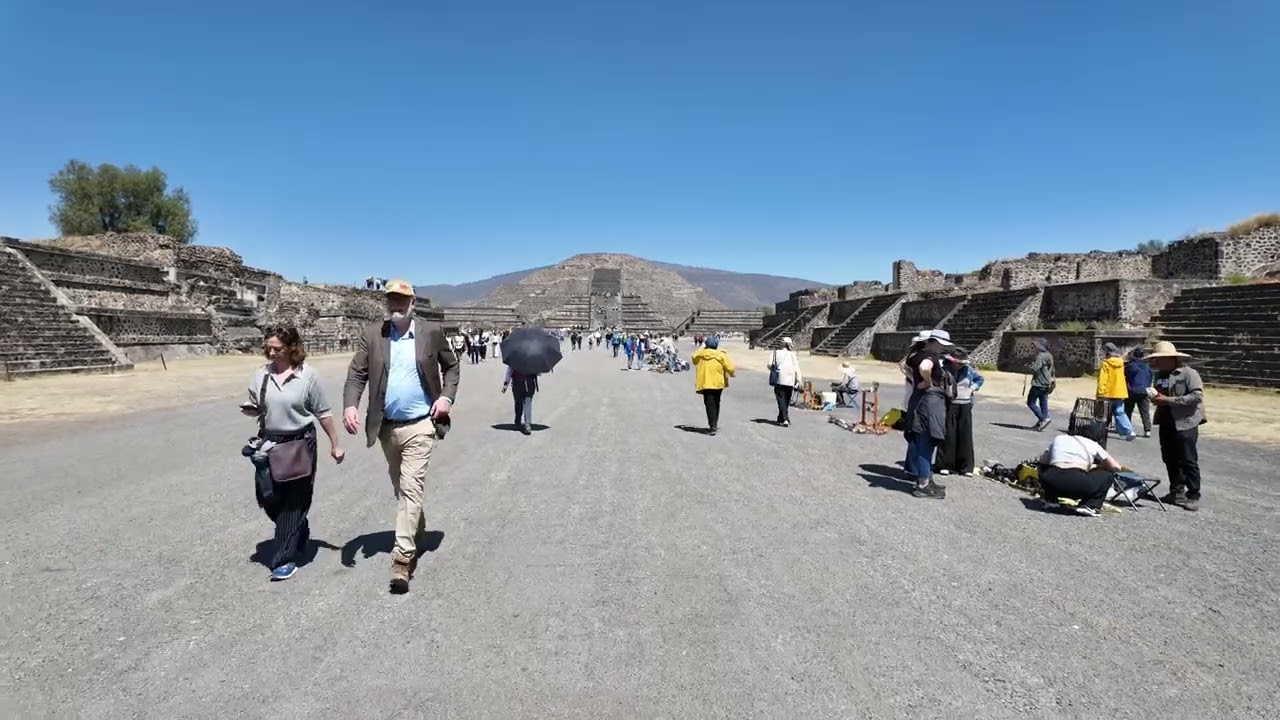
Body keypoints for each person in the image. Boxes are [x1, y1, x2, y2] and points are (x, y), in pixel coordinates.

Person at [342, 279, 460, 594]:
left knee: (410, 487)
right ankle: (415, 527)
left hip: (421, 424)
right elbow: (357, 374)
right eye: (391, 299)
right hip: (386, 427)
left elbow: (451, 368)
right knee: (402, 489)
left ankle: (402, 561)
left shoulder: (430, 333)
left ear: (411, 303)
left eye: (401, 299)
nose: (396, 305)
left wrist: (446, 397)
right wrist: (351, 406)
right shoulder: (374, 335)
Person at [244, 326, 345, 581]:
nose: (271, 352)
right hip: (270, 445)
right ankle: (298, 528)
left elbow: (323, 412)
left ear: (291, 348)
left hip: (300, 444)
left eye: (277, 348)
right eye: (269, 347)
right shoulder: (261, 375)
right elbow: (258, 405)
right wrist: (253, 409)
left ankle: (283, 558)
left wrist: (335, 443)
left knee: (293, 502)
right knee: (268, 499)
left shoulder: (307, 376)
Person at [1147, 341, 1205, 511]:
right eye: (1156, 359)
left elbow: (1197, 396)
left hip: (1185, 422)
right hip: (1166, 422)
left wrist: (1168, 400)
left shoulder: (1188, 374)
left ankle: (1193, 495)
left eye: (1161, 359)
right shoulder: (1159, 375)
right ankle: (1176, 492)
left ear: (1173, 358)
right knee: (1170, 458)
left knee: (1188, 459)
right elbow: (1161, 395)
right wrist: (1155, 398)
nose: (1157, 362)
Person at [904, 329, 952, 499]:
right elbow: (925, 367)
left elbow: (907, 367)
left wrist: (916, 381)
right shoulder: (929, 357)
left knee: (922, 442)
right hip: (929, 403)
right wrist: (927, 381)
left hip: (919, 400)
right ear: (932, 342)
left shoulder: (915, 355)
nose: (942, 348)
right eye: (940, 344)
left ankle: (925, 479)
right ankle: (923, 484)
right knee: (926, 443)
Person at [1037, 433, 1124, 517]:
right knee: (1108, 474)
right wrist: (1098, 466)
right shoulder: (1093, 444)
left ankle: (1051, 499)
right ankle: (1090, 505)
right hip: (1078, 485)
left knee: (1046, 468)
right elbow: (1115, 467)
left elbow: (1042, 461)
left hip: (1051, 481)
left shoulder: (1059, 438)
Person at [935, 348, 984, 476]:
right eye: (958, 363)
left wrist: (973, 388)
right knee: (948, 435)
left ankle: (965, 467)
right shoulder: (944, 370)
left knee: (965, 435)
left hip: (965, 405)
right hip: (950, 405)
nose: (960, 365)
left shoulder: (969, 371)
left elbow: (980, 379)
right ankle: (945, 465)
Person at [692, 335, 735, 435]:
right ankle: (714, 423)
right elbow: (730, 368)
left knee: (709, 404)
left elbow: (694, 358)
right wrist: (732, 373)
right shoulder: (721, 355)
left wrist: (702, 348)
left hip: (706, 382)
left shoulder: (701, 354)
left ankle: (712, 426)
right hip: (718, 383)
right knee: (716, 402)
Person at [1097, 342, 1136, 441]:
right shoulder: (1121, 363)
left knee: (1103, 413)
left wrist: (1100, 393)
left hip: (1108, 392)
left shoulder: (1105, 363)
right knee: (1120, 412)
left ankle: (1100, 430)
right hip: (1119, 392)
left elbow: (1103, 379)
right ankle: (1129, 431)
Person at [768, 337, 803, 427]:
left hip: (779, 379)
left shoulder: (775, 353)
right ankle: (782, 417)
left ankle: (784, 419)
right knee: (786, 400)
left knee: (781, 399)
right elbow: (797, 368)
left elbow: (769, 365)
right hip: (790, 380)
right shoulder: (793, 354)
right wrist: (799, 380)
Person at [1124, 348, 1153, 438]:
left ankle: (1128, 428)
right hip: (1144, 391)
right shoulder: (1147, 367)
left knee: (1128, 410)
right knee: (1145, 411)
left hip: (1132, 390)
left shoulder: (1130, 366)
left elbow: (1126, 377)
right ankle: (1147, 430)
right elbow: (1150, 377)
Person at [1027, 338, 1055, 430]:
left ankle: (1043, 419)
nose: (1035, 347)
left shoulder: (1040, 356)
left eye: (1037, 345)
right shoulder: (1049, 355)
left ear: (1041, 346)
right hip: (1047, 383)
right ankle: (1041, 422)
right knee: (1043, 403)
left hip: (1038, 383)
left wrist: (1029, 366)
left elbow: (1035, 368)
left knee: (1031, 402)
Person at [502, 365, 539, 435]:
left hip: (518, 384)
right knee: (527, 403)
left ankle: (518, 422)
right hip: (528, 384)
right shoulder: (533, 359)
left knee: (519, 403)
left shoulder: (514, 358)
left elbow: (509, 373)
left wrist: (505, 385)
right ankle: (526, 424)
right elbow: (538, 373)